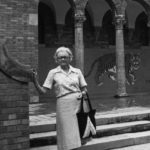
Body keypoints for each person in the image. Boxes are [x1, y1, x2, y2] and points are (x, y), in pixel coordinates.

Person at [33, 46, 88, 150]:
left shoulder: (77, 71)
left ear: (70, 58)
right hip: (63, 105)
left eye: (65, 57)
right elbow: (43, 91)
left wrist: (83, 93)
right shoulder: (53, 73)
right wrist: (34, 80)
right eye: (60, 58)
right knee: (66, 131)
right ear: (56, 59)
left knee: (79, 129)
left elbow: (84, 88)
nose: (62, 59)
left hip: (78, 103)